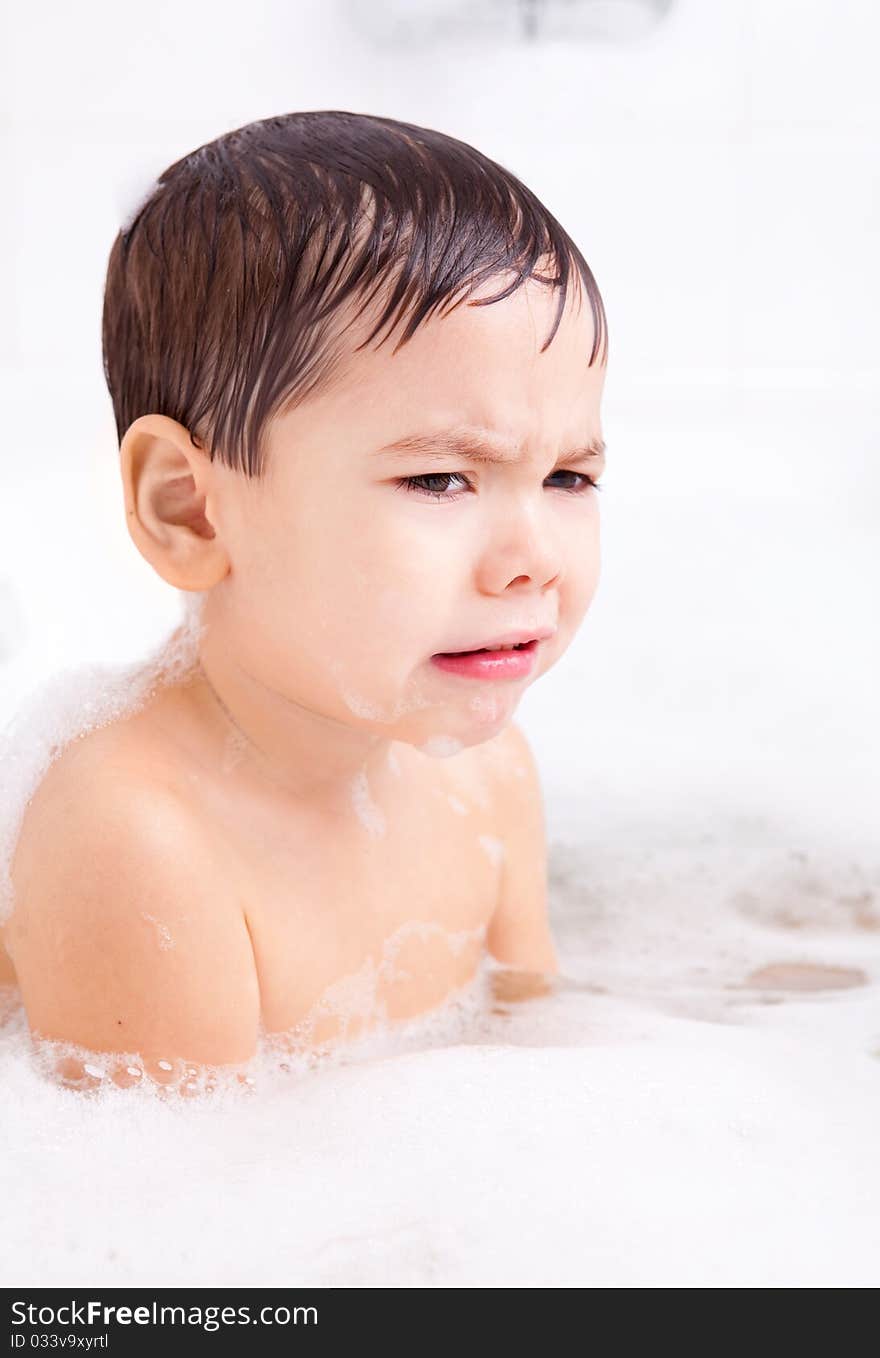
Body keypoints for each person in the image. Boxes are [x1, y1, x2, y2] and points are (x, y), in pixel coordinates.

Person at [2, 110, 608, 1093]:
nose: (531, 558)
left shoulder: (487, 771)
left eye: (570, 478)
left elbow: (538, 1050)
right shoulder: (140, 839)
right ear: (190, 510)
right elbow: (183, 1213)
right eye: (442, 480)